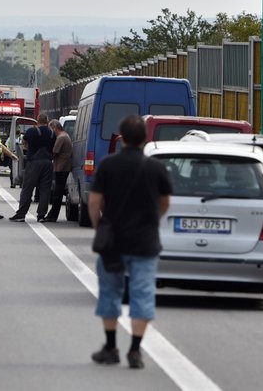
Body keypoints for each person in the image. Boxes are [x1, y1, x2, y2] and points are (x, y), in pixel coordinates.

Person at [89, 114, 171, 370]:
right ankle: (135, 350)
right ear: (145, 139)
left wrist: (99, 226)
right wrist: (152, 220)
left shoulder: (108, 165)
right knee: (143, 294)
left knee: (110, 292)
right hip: (145, 242)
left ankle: (111, 346)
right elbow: (165, 202)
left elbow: (94, 201)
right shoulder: (156, 167)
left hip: (114, 240)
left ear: (121, 138)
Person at [11, 113, 55, 222]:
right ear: (48, 121)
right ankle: (41, 216)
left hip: (34, 163)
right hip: (48, 163)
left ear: (37, 121)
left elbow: (24, 142)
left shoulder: (32, 131)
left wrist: (29, 147)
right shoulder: (52, 133)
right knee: (45, 190)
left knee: (27, 188)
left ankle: (21, 214)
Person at [43, 118, 73, 223]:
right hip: (63, 167)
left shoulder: (61, 137)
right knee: (57, 192)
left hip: (61, 167)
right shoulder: (65, 136)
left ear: (55, 127)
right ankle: (52, 214)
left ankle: (53, 215)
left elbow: (54, 152)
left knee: (57, 193)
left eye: (51, 129)